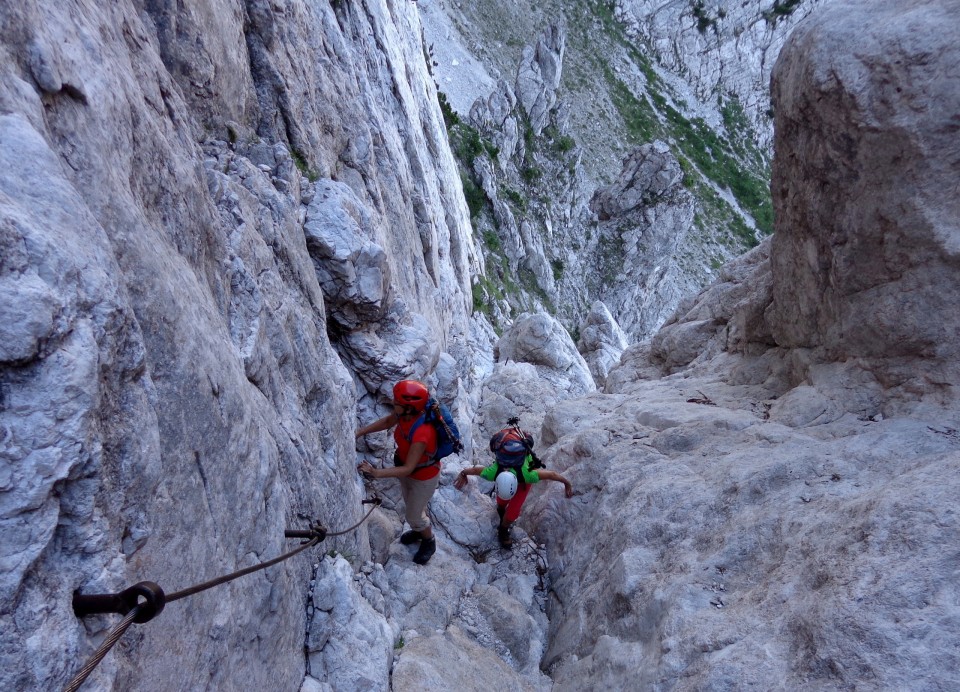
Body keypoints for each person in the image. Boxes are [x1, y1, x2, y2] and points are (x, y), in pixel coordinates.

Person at [356, 380, 441, 565]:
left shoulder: (423, 432)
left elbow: (409, 468)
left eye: (397, 402)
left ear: (409, 408)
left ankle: (429, 541)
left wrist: (376, 473)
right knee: (411, 504)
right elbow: (388, 421)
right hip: (407, 470)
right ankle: (419, 530)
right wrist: (360, 432)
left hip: (423, 477)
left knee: (413, 515)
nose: (393, 404)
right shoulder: (405, 415)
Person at [453, 428, 573, 548]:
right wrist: (463, 473)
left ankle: (503, 530)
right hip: (514, 475)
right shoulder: (493, 472)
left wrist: (567, 483)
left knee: (513, 512)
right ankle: (501, 509)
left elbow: (552, 475)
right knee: (502, 501)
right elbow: (475, 470)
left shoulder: (528, 475)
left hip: (522, 483)